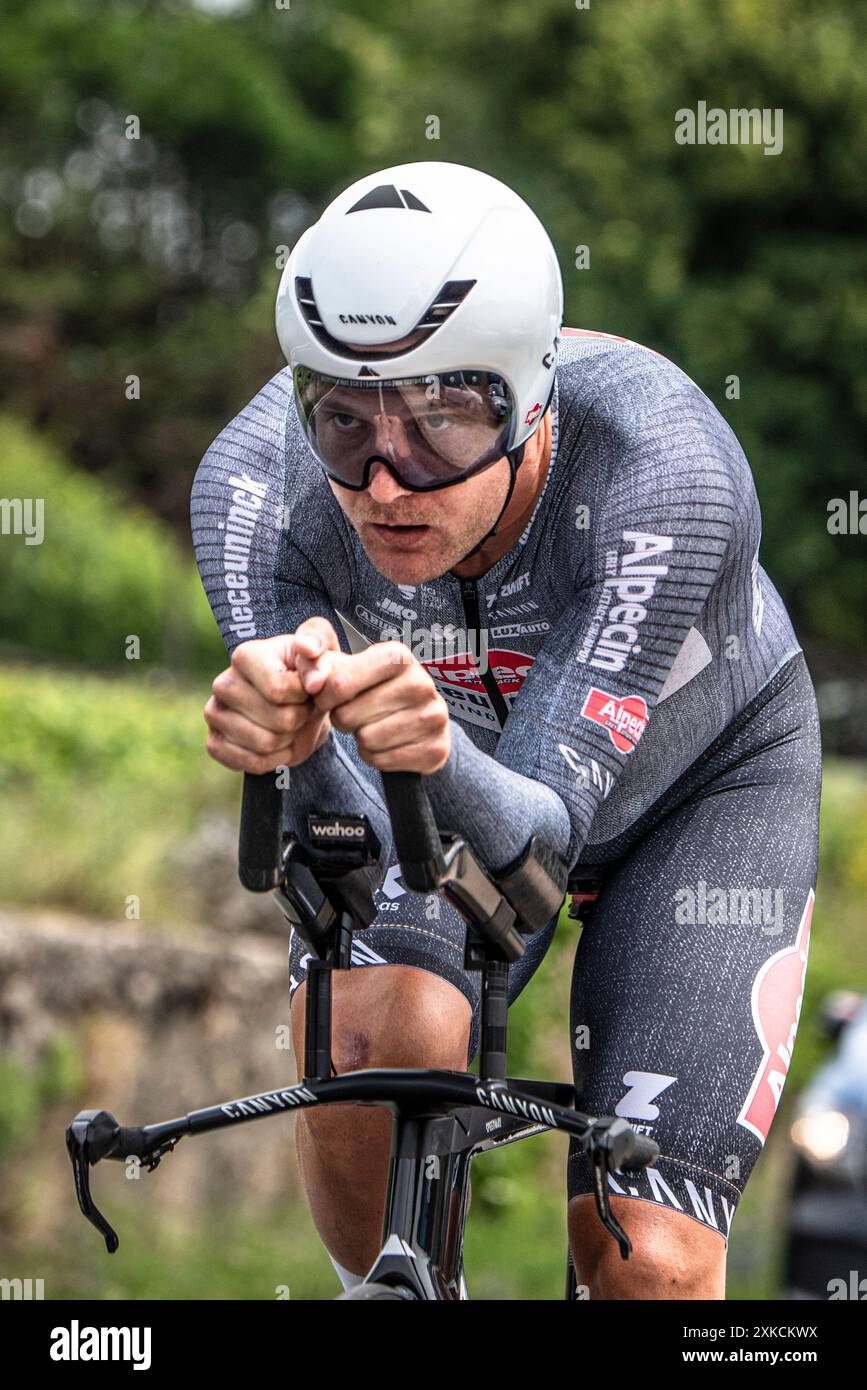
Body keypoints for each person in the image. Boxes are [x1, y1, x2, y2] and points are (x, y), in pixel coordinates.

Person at [191, 161, 822, 1300]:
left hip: (701, 789)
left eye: (441, 423)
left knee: (652, 1263)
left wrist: (428, 756)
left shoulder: (662, 467)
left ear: (534, 394)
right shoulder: (252, 493)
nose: (386, 483)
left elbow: (527, 861)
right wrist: (296, 758)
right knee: (379, 1030)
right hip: (443, 771)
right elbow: (340, 863)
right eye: (344, 422)